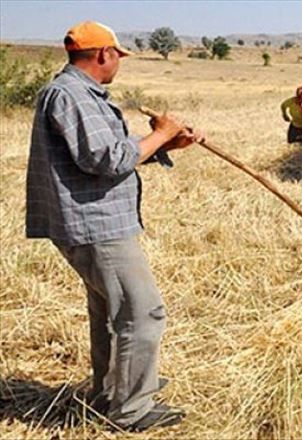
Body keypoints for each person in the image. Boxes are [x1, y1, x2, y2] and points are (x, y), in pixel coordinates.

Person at [25, 21, 203, 431]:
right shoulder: (70, 95)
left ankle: (112, 391)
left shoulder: (77, 94)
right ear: (104, 54)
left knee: (109, 313)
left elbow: (112, 156)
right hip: (96, 226)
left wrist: (166, 142)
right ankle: (132, 410)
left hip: (93, 222)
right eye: (117, 56)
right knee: (144, 313)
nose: (118, 63)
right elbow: (106, 160)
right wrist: (161, 133)